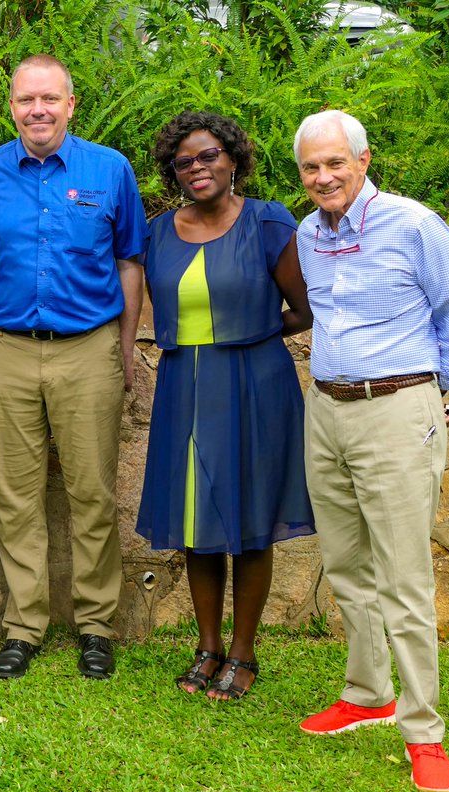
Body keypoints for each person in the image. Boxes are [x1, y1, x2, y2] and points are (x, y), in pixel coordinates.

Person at [293, 110, 449, 792]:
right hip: (328, 410)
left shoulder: (413, 224)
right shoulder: (308, 234)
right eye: (311, 167)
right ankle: (367, 691)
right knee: (346, 563)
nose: (323, 177)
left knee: (403, 579)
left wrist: (434, 399)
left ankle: (424, 732)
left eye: (334, 163)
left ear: (364, 159)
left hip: (398, 407)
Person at [0, 54, 147, 680]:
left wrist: (124, 348)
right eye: (25, 100)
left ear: (71, 104)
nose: (37, 110)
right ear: (10, 106)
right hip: (8, 349)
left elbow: (129, 262)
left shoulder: (110, 170)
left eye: (49, 99)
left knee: (91, 492)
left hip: (88, 348)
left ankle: (96, 625)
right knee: (15, 498)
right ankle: (24, 626)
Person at [135, 111, 315, 701]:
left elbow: (303, 309)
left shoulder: (267, 221)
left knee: (251, 519)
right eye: (184, 161)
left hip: (254, 383)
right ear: (173, 173)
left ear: (233, 159)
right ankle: (207, 646)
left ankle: (244, 651)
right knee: (194, 519)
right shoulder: (159, 231)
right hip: (183, 383)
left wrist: (249, 334)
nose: (197, 168)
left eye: (209, 155)